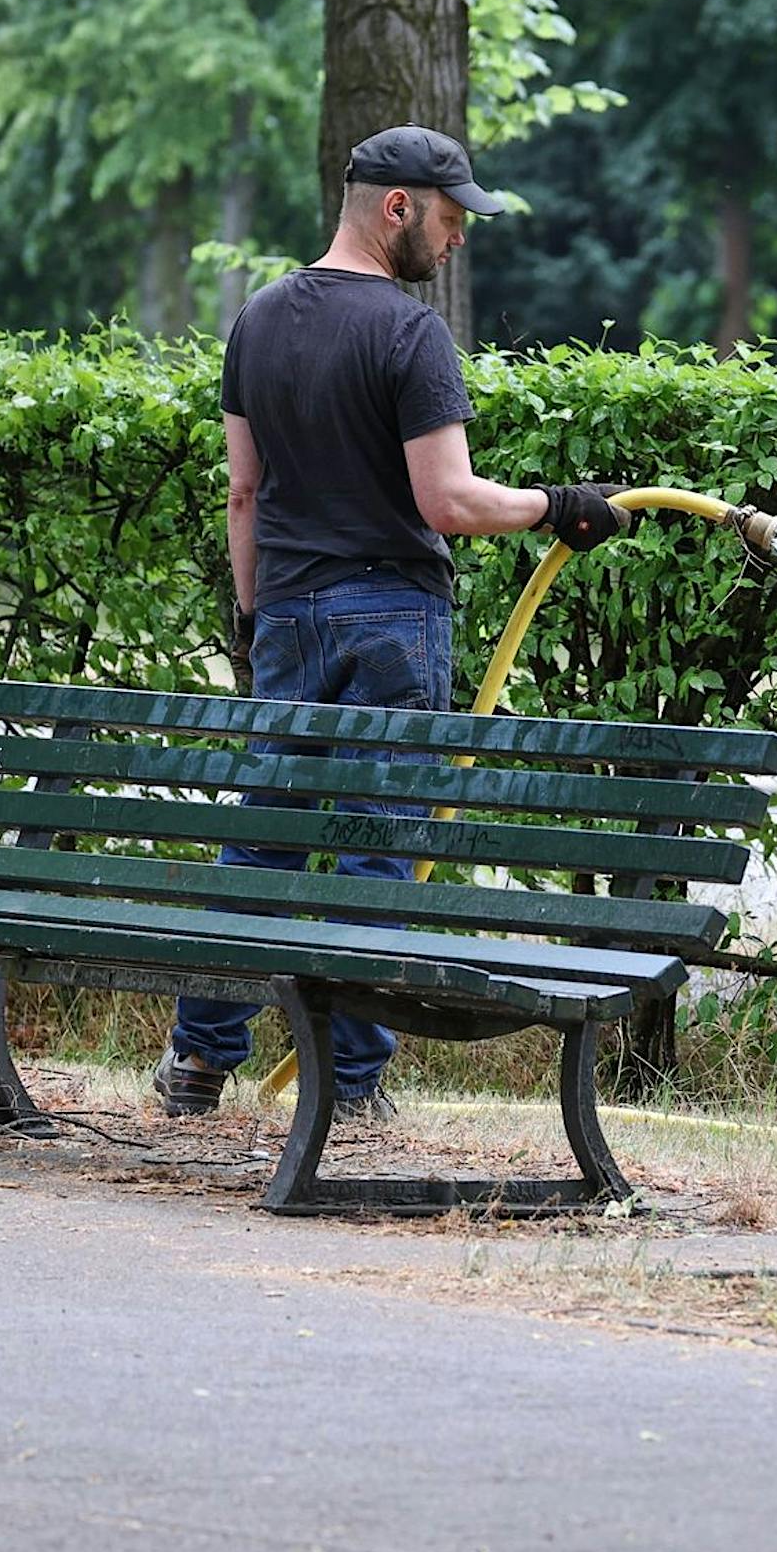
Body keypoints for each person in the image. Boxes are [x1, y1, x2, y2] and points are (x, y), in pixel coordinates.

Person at [153, 124, 630, 1120]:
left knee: (266, 838)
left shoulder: (258, 320)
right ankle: (348, 1086)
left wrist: (255, 620)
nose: (456, 239)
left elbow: (244, 494)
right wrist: (558, 505)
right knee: (378, 847)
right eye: (450, 216)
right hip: (390, 618)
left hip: (284, 609)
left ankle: (199, 1060)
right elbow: (448, 502)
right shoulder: (411, 335)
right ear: (397, 205)